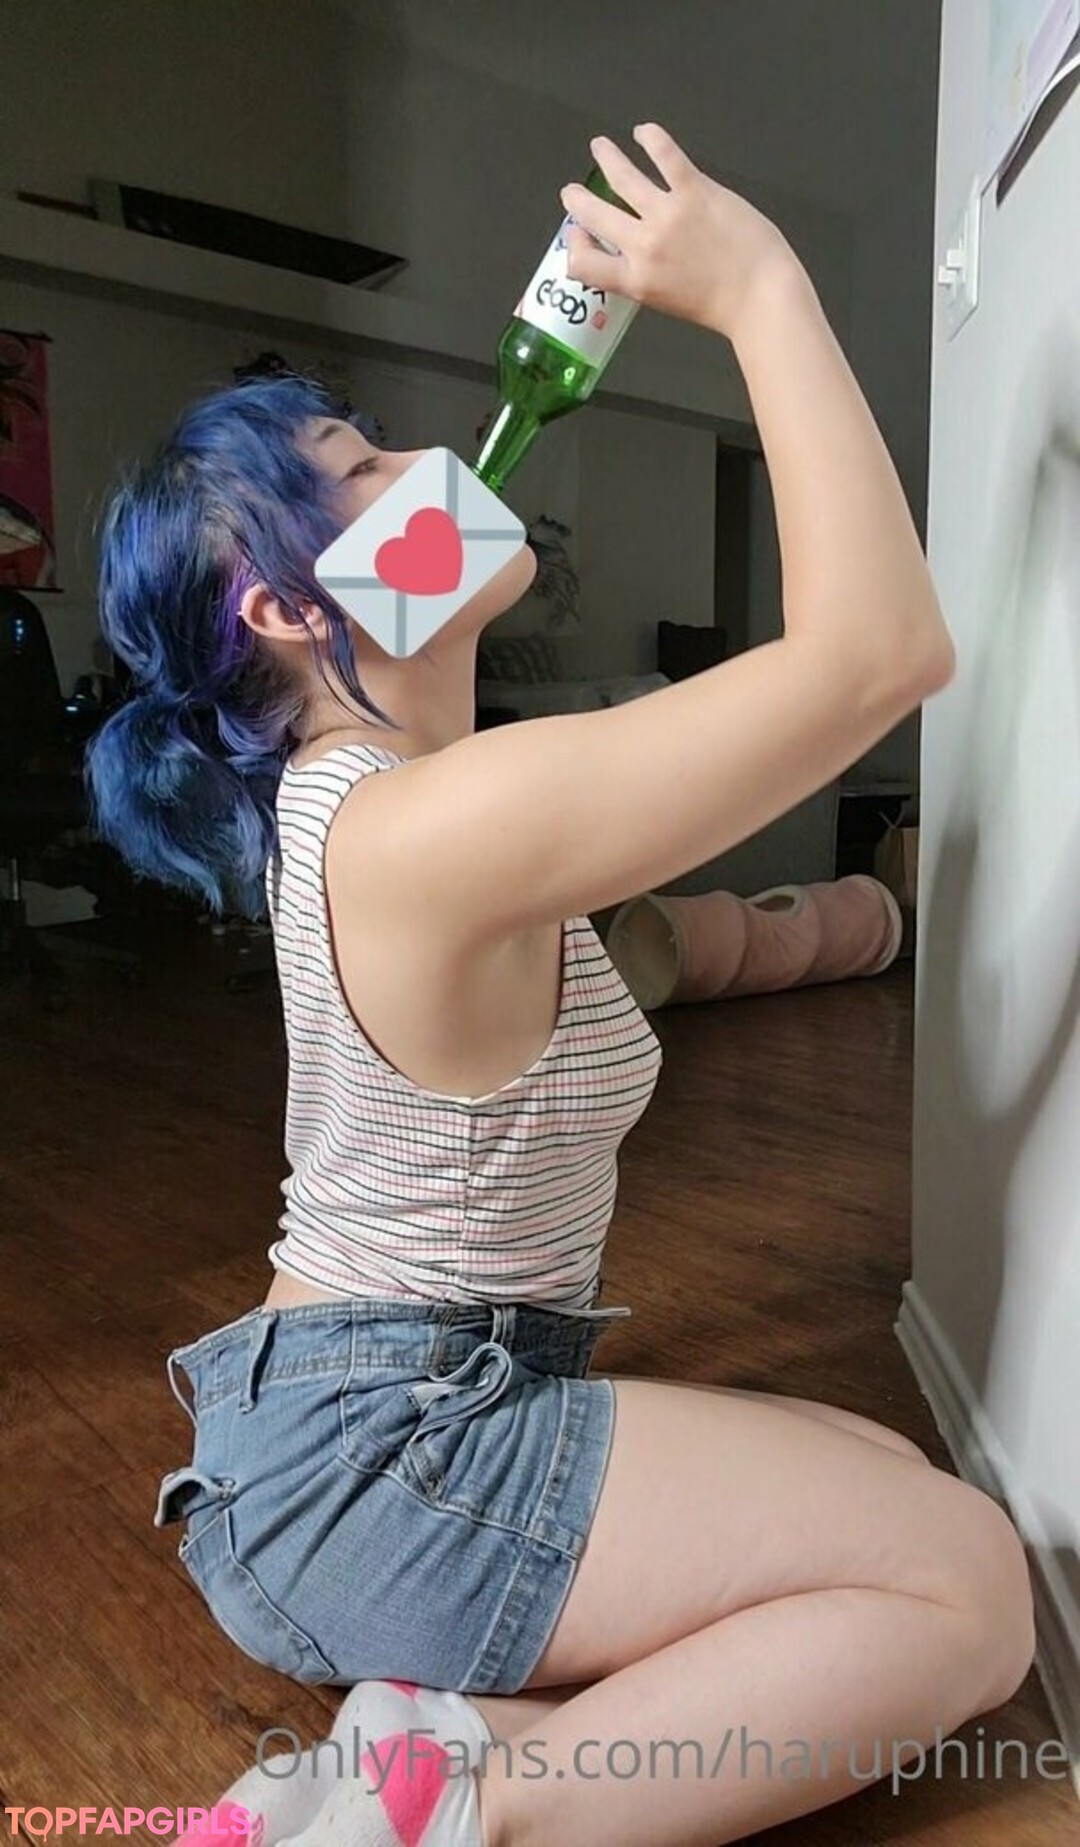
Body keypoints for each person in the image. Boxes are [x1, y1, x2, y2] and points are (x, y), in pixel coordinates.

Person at [86, 124, 1034, 1847]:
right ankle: (444, 1820)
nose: (441, 459)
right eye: (367, 463)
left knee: (898, 1484)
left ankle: (427, 1732)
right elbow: (882, 653)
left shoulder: (420, 800)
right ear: (289, 606)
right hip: (379, 1459)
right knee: (968, 1588)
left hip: (412, 1411)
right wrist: (758, 288)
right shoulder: (411, 829)